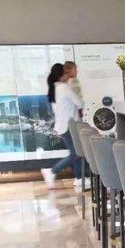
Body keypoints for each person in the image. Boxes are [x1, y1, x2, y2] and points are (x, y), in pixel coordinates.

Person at [41, 61, 84, 189]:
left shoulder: (54, 88)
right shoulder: (64, 88)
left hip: (62, 125)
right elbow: (80, 103)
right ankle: (52, 171)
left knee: (75, 152)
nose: (68, 75)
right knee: (76, 154)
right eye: (66, 73)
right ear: (62, 74)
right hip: (68, 126)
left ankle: (79, 179)